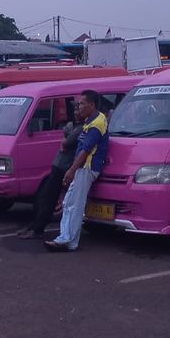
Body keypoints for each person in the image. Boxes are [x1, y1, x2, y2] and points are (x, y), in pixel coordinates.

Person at [45, 90, 109, 253]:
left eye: (81, 104)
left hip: (86, 168)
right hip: (82, 168)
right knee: (68, 203)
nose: (79, 107)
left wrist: (71, 171)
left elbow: (86, 150)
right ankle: (67, 239)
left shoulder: (96, 124)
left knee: (75, 205)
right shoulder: (91, 121)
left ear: (92, 105)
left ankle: (67, 240)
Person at [19, 107, 83, 239]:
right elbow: (65, 138)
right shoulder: (73, 126)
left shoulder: (82, 128)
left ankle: (38, 228)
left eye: (79, 112)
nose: (76, 114)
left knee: (50, 199)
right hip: (59, 165)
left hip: (65, 167)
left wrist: (66, 140)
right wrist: (66, 140)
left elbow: (67, 141)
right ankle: (35, 225)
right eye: (75, 111)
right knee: (45, 198)